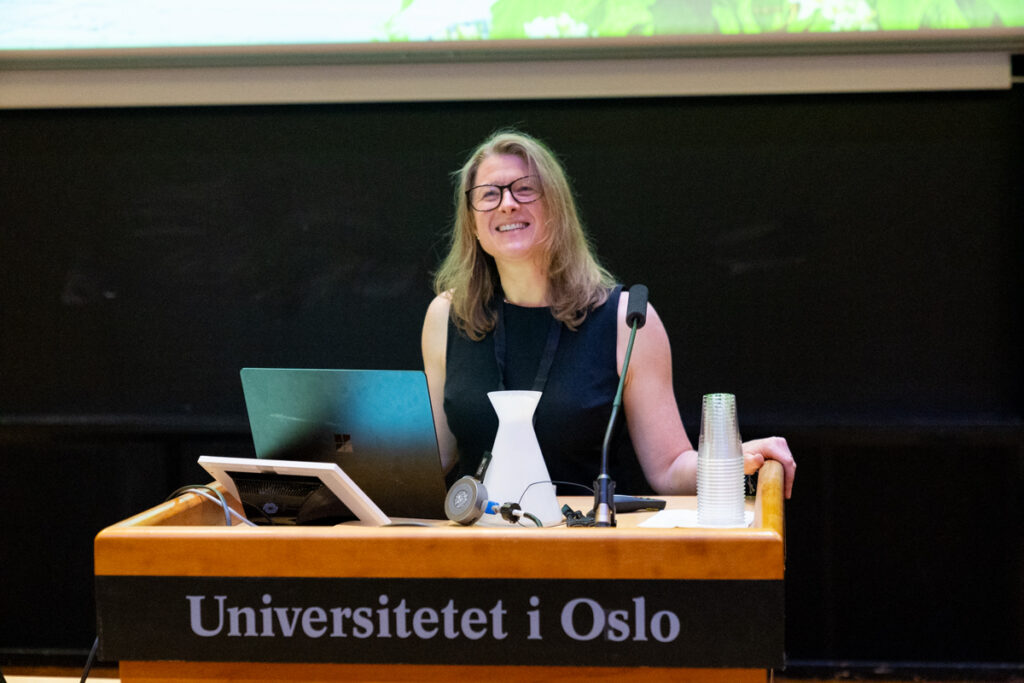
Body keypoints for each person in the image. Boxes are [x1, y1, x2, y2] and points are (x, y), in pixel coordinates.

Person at [421, 130, 796, 500]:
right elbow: (435, 456)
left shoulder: (625, 320)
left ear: (556, 209)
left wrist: (734, 459)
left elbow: (668, 468)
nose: (507, 204)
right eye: (489, 194)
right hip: (473, 546)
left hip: (591, 546)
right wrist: (366, 456)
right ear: (472, 222)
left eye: (525, 189)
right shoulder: (447, 316)